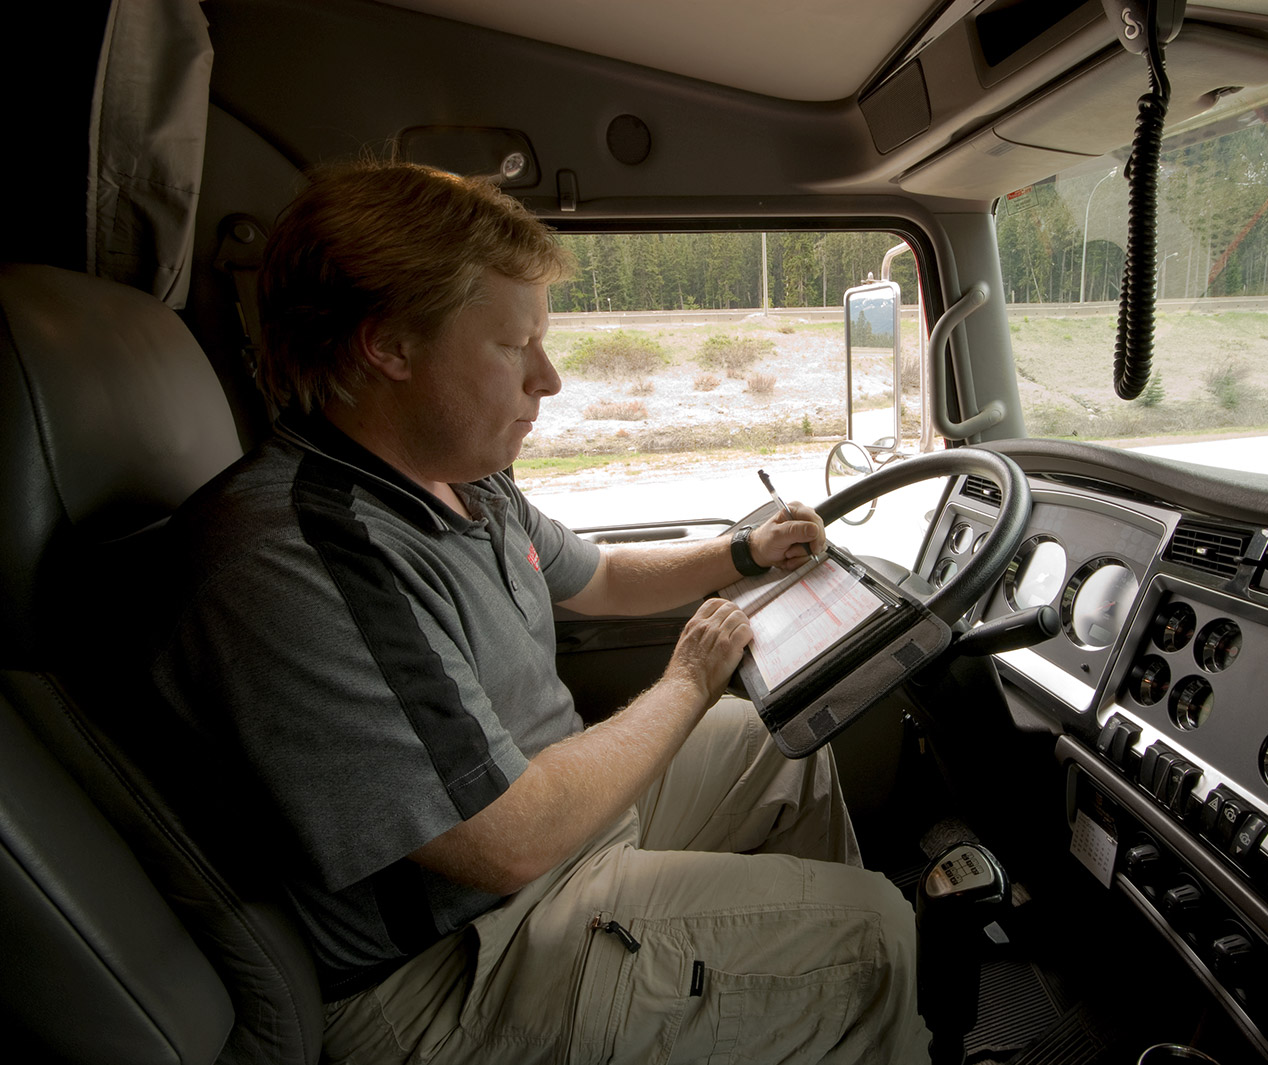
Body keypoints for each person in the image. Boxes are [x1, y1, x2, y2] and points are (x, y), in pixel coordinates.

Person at [150, 160, 931, 1063]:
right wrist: (685, 676)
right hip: (455, 967)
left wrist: (737, 556)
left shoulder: (463, 479)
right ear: (390, 346)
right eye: (513, 346)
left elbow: (596, 576)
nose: (549, 379)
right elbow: (507, 840)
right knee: (875, 935)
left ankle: (792, 1016)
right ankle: (830, 993)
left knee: (776, 741)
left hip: (550, 850)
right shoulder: (304, 561)